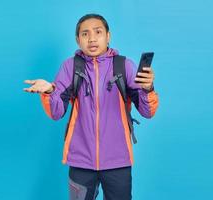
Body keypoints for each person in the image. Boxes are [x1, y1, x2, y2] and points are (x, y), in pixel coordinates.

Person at [23, 13, 159, 200]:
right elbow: (56, 112)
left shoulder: (124, 66)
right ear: (78, 40)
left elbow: (148, 111)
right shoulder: (70, 67)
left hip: (118, 161)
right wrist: (48, 91)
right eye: (85, 34)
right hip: (80, 161)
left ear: (108, 36)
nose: (92, 38)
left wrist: (148, 88)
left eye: (98, 32)